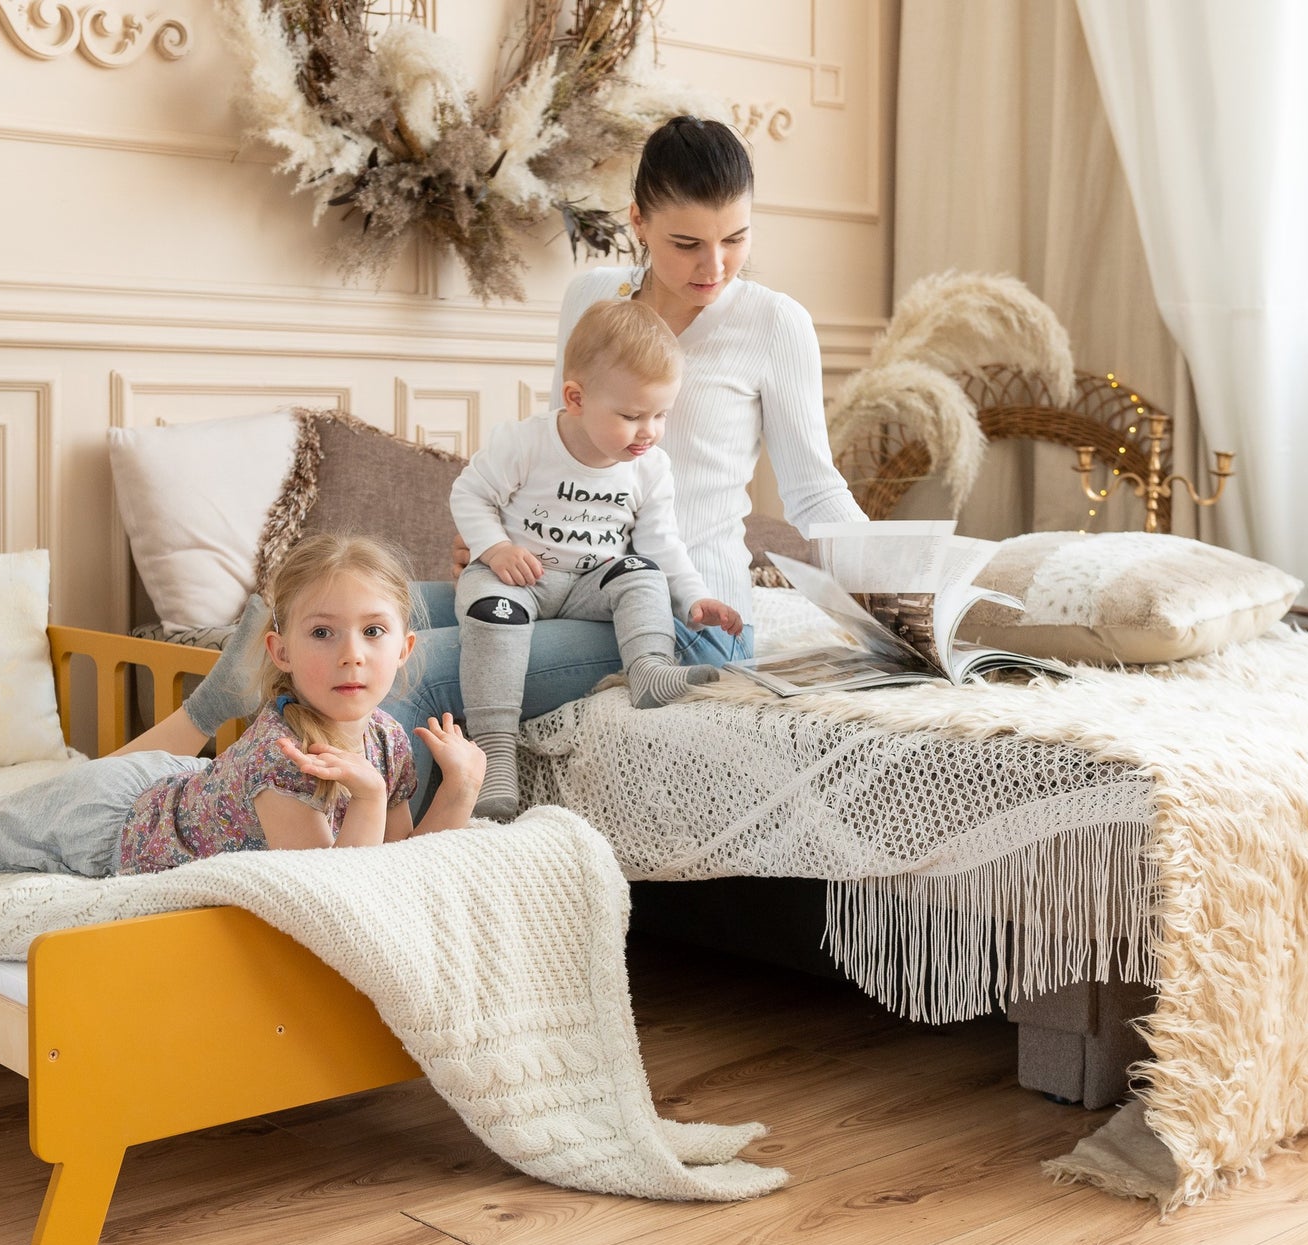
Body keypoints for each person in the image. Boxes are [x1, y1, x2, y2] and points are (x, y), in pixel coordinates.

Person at [123, 114, 868, 815]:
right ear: (637, 222)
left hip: (677, 609)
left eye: (736, 239)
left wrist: (903, 597)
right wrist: (492, 536)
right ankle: (193, 754)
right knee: (336, 612)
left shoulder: (774, 323)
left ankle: (357, 870)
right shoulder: (591, 298)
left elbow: (814, 492)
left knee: (399, 666)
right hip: (555, 576)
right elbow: (553, 446)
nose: (716, 266)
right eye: (687, 244)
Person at [0, 534, 485, 874]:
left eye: (373, 632)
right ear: (281, 651)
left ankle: (211, 704)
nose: (352, 654)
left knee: (16, 805)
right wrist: (372, 795)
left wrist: (459, 788)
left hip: (182, 783)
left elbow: (404, 869)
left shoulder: (387, 739)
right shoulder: (283, 756)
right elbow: (338, 893)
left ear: (404, 649)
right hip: (111, 821)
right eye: (323, 632)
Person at [450, 297, 742, 819]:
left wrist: (696, 595)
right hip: (521, 577)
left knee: (641, 572)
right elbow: (470, 494)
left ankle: (650, 671)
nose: (648, 431)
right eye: (631, 416)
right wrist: (494, 548)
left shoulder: (650, 468)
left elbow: (662, 542)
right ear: (576, 397)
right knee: (489, 614)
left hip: (590, 585)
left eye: (660, 414)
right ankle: (495, 747)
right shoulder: (527, 443)